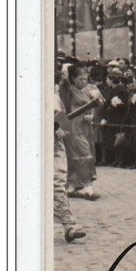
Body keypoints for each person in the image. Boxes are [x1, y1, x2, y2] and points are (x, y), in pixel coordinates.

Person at [59, 63, 103, 199]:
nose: (83, 81)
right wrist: (66, 72)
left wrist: (93, 115)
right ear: (73, 79)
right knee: (82, 154)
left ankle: (73, 186)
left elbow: (100, 104)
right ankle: (87, 187)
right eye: (80, 79)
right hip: (72, 125)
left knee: (88, 152)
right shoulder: (68, 89)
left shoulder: (92, 89)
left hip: (86, 126)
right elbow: (64, 81)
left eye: (85, 78)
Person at [53, 97, 87, 243]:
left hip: (54, 146)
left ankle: (69, 226)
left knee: (58, 184)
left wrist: (59, 127)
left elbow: (62, 120)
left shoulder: (55, 97)